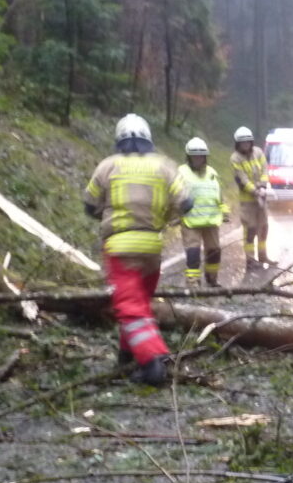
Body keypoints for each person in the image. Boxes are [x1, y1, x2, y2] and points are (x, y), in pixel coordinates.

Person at [84, 114, 189, 385]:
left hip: (120, 247)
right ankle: (127, 354)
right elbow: (186, 202)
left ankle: (152, 362)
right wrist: (166, 216)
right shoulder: (164, 165)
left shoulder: (108, 166)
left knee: (129, 306)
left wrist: (107, 215)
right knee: (139, 302)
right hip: (152, 247)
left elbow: (89, 204)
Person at [179, 137, 228, 287]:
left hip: (211, 220)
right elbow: (173, 194)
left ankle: (212, 279)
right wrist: (174, 214)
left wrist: (224, 211)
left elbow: (219, 194)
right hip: (190, 220)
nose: (198, 159)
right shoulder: (181, 172)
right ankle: (193, 283)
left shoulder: (212, 172)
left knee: (214, 252)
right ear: (189, 157)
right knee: (193, 253)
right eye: (195, 156)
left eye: (201, 156)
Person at [230, 126, 273, 270]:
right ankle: (250, 259)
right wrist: (255, 191)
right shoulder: (235, 158)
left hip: (261, 197)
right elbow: (242, 179)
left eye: (248, 142)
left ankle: (263, 255)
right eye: (242, 142)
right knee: (251, 229)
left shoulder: (258, 152)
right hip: (247, 200)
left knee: (264, 227)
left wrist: (263, 185)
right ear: (238, 143)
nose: (245, 145)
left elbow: (265, 169)